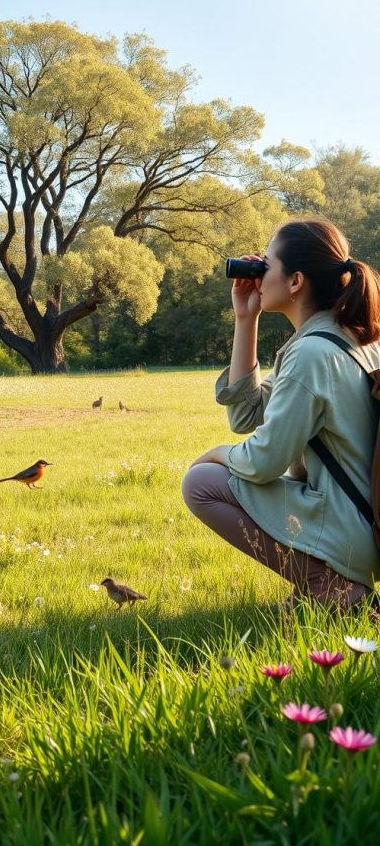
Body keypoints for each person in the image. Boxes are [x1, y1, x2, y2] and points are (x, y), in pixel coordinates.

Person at [181, 217, 380, 610]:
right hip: (367, 526)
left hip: (351, 531)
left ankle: (330, 587)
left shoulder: (312, 354)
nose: (257, 274)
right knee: (212, 475)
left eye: (266, 265)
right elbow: (247, 415)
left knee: (201, 482)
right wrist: (246, 319)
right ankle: (328, 580)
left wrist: (217, 453)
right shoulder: (343, 337)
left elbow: (265, 461)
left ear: (295, 282)